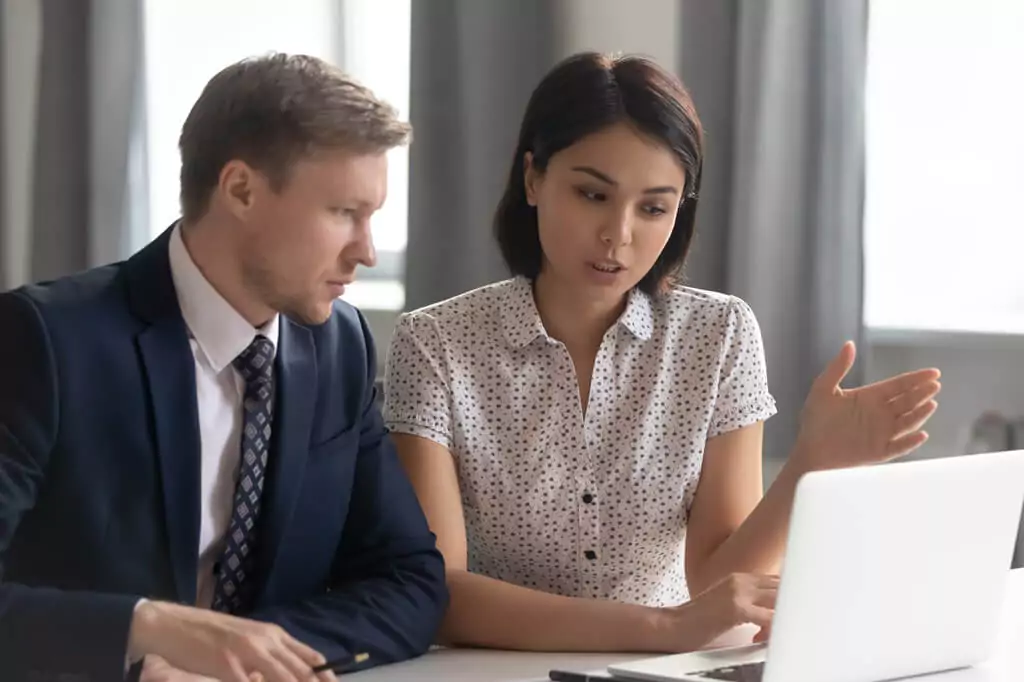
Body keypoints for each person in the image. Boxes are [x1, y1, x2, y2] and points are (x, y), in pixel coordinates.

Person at [383, 52, 940, 654]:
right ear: (533, 179)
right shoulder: (435, 343)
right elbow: (440, 594)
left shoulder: (720, 333)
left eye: (653, 207)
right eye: (592, 194)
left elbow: (716, 579)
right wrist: (664, 628)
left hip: (665, 669)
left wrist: (811, 462)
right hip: (495, 669)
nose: (619, 235)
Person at [0, 54, 447, 682]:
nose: (366, 252)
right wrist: (143, 635)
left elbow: (410, 581)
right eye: (344, 213)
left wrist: (242, 657)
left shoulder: (339, 344)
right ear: (240, 189)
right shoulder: (45, 340)